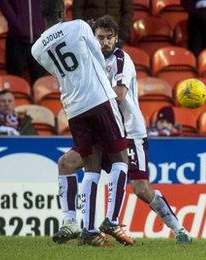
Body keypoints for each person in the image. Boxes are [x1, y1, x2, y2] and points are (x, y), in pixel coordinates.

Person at [51, 16, 193, 245]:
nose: (105, 42)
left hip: (129, 131)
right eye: (100, 38)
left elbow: (119, 95)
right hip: (101, 128)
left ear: (116, 39)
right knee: (67, 164)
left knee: (141, 189)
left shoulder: (120, 59)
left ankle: (179, 229)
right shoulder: (89, 61)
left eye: (109, 38)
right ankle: (73, 224)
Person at [32, 0, 129, 247]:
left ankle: (87, 230)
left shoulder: (36, 49)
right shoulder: (78, 26)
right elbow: (98, 57)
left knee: (90, 165)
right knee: (121, 159)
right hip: (98, 98)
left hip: (74, 109)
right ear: (61, 12)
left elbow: (59, 70)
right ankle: (112, 219)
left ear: (43, 16)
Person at [0, 0, 47, 84]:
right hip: (16, 40)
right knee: (14, 80)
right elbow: (3, 2)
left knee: (40, 83)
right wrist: (17, 24)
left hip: (39, 41)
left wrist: (43, 24)